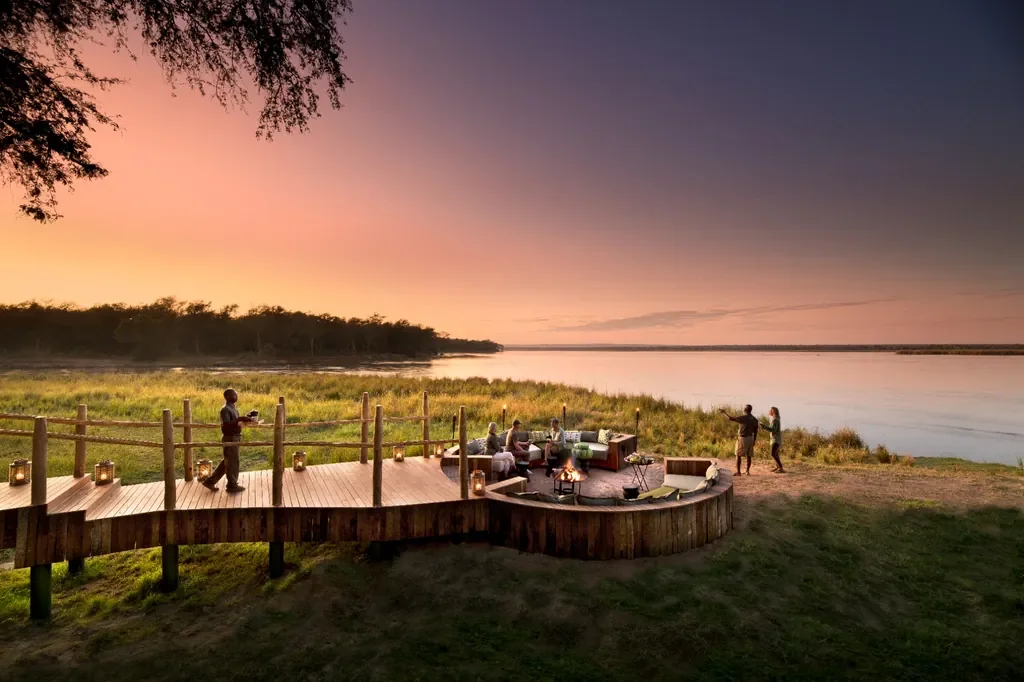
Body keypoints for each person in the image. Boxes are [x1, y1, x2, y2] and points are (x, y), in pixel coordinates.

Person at [203, 388, 255, 493]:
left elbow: (234, 422)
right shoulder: (225, 409)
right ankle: (232, 485)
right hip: (230, 437)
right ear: (227, 397)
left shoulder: (233, 408)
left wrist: (245, 419)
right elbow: (226, 425)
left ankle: (210, 481)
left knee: (227, 461)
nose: (236, 397)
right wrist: (240, 419)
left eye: (236, 395)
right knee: (232, 462)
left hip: (235, 437)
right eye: (234, 395)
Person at [719, 405, 759, 476]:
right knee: (749, 455)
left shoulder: (743, 418)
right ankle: (747, 471)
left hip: (743, 438)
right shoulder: (755, 419)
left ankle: (738, 472)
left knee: (738, 454)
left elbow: (730, 418)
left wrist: (724, 412)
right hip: (751, 438)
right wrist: (754, 440)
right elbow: (755, 431)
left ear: (745, 410)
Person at [761, 406, 784, 473]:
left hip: (775, 439)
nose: (769, 411)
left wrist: (764, 426)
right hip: (775, 439)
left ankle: (781, 468)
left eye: (770, 410)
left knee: (773, 454)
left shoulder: (775, 420)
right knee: (775, 453)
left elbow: (773, 429)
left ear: (773, 411)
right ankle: (778, 467)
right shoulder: (776, 419)